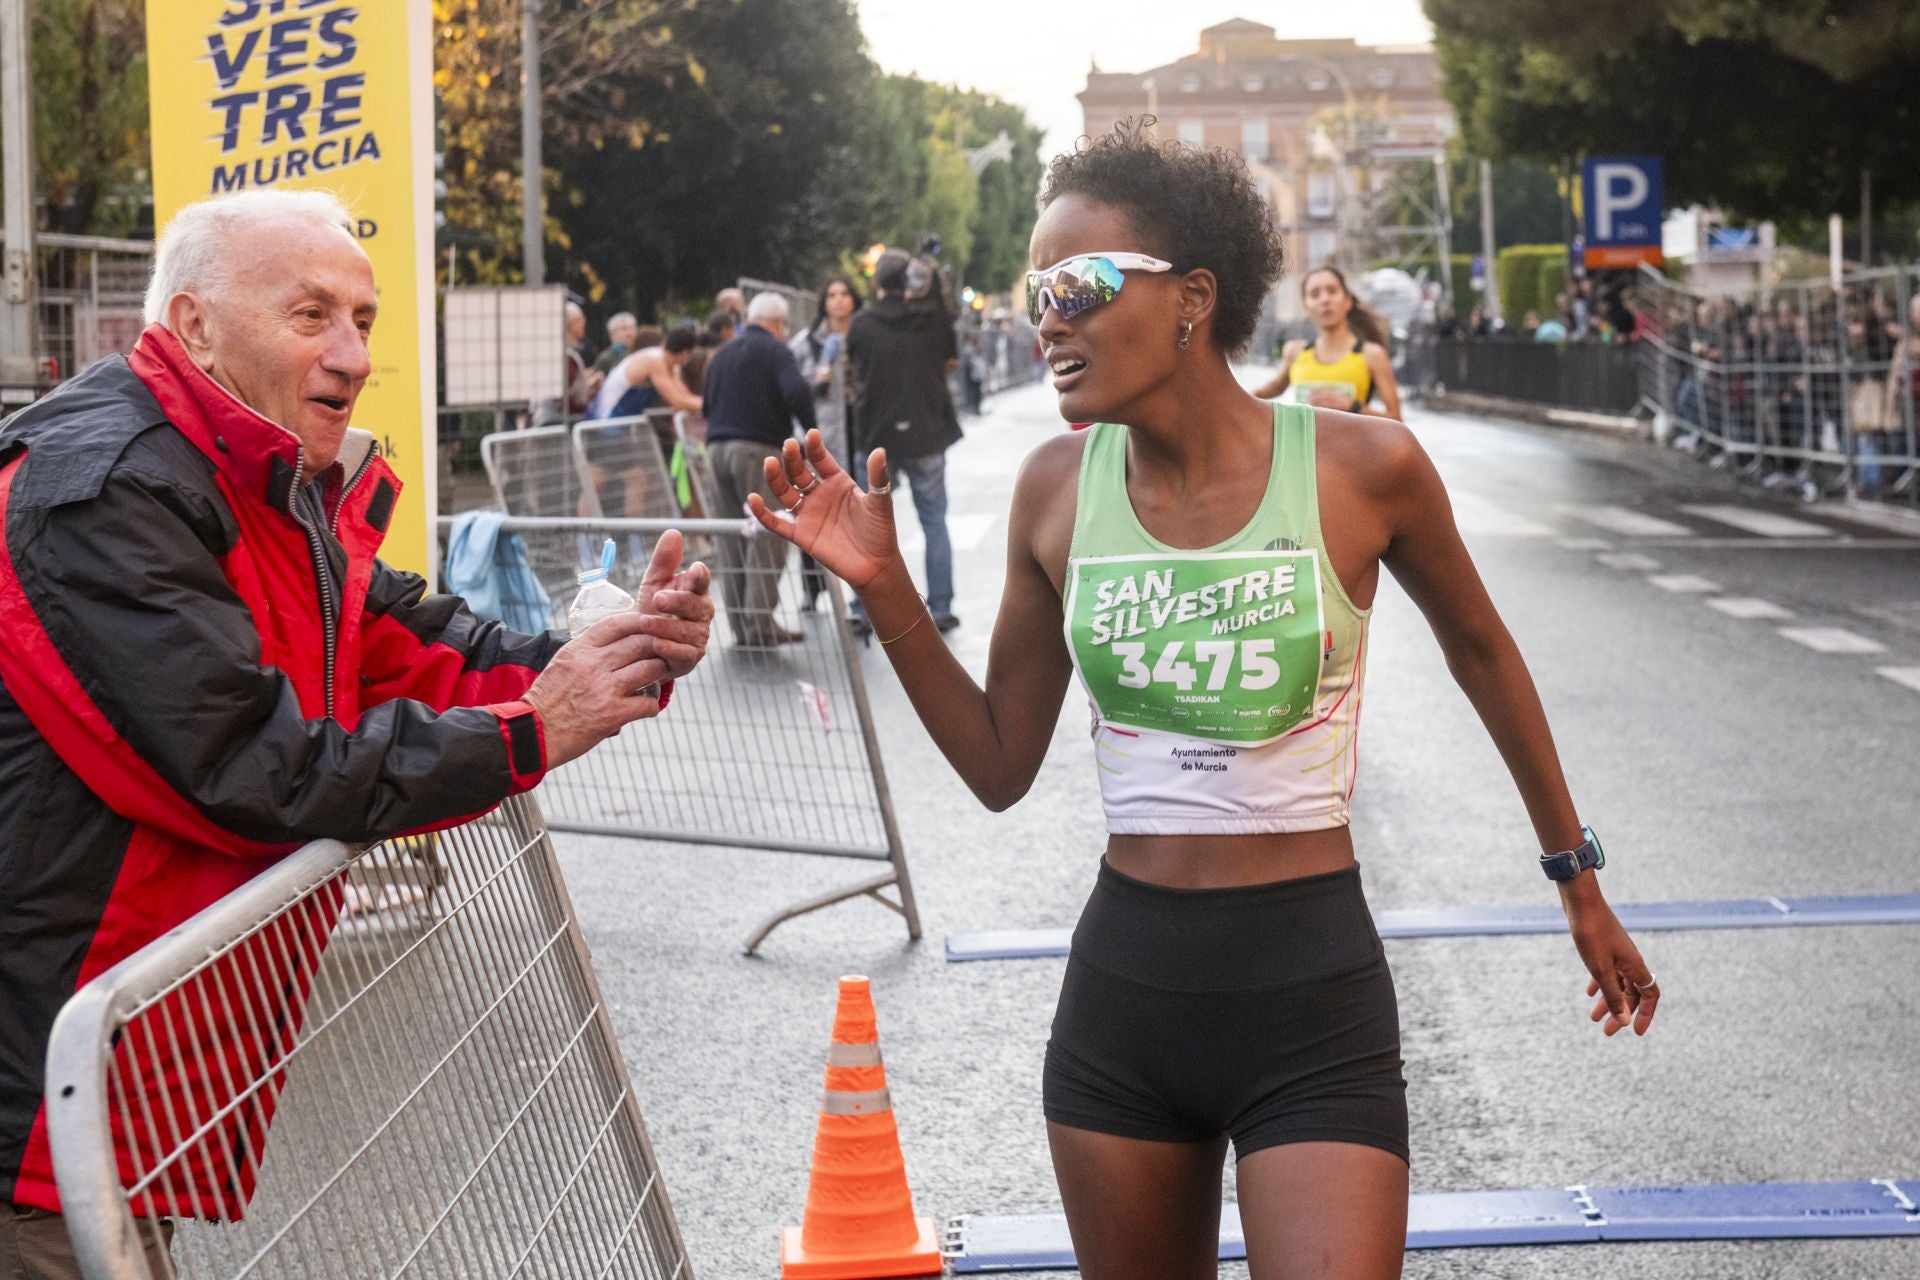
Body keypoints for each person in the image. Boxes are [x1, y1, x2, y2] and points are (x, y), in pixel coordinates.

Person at [747, 121, 1659, 1280]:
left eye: (1078, 285)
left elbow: (1483, 652)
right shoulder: (1054, 489)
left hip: (1313, 1001)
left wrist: (1577, 877)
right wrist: (888, 591)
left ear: (1191, 296)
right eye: (1037, 291)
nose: (1048, 319)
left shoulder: (1363, 468)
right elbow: (998, 764)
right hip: (1125, 1005)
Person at [0, 189, 714, 1280]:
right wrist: (533, 728)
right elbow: (254, 767)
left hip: (107, 1082)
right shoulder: (100, 492)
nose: (353, 355)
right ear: (194, 326)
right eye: (311, 315)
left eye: (364, 319)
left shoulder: (255, 471)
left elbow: (408, 641)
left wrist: (616, 654)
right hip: (40, 1095)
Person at [846, 249, 964, 634]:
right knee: (934, 520)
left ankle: (864, 609)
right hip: (927, 432)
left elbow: (854, 368)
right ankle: (941, 606)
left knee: (869, 525)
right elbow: (951, 363)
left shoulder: (862, 324)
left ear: (877, 282)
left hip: (876, 435)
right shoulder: (934, 322)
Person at [703, 291, 816, 646]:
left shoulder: (722, 354)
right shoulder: (776, 351)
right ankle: (760, 623)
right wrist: (812, 433)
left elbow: (706, 405)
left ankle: (740, 625)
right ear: (779, 323)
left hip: (716, 449)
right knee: (769, 531)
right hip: (758, 448)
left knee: (731, 536)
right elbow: (796, 391)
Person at [789, 275, 862, 610]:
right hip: (823, 437)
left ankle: (861, 590)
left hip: (860, 434)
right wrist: (815, 381)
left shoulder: (865, 336)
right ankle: (813, 586)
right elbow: (793, 386)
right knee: (812, 512)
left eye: (845, 293)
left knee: (860, 515)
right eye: (831, 294)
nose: (838, 300)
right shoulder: (808, 342)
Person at [1254, 265, 1403, 420]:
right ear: (1306, 307)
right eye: (1315, 294)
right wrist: (1243, 396)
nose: (1324, 300)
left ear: (1348, 301)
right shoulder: (1294, 351)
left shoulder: (1372, 354)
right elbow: (1274, 387)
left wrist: (1352, 406)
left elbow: (1396, 419)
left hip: (1353, 437)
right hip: (1303, 437)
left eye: (1332, 291)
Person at [588, 324, 703, 421]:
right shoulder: (655, 361)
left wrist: (706, 403)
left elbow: (683, 394)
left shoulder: (665, 361)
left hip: (623, 420)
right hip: (607, 419)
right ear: (685, 353)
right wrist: (709, 405)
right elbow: (677, 401)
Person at [593, 310, 640, 376]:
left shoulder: (641, 353)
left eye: (632, 328)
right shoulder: (605, 358)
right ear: (611, 335)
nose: (629, 333)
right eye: (624, 329)